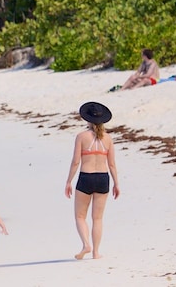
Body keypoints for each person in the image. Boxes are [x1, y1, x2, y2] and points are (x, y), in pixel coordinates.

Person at [65, 101, 120, 260]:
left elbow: (76, 162)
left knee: (80, 216)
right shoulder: (108, 139)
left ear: (87, 119)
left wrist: (68, 181)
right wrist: (116, 183)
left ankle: (85, 244)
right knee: (98, 218)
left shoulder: (81, 137)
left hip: (86, 177)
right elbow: (112, 164)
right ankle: (96, 252)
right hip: (103, 178)